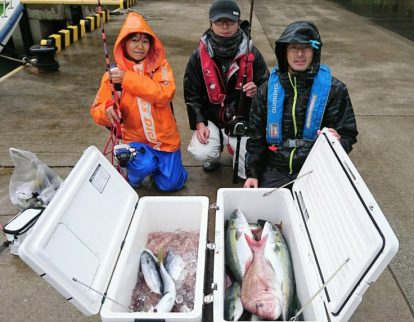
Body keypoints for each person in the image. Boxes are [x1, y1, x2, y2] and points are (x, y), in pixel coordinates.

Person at [244, 21, 358, 188]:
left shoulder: (336, 90)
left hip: (315, 166)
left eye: (306, 48)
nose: (300, 54)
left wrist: (338, 141)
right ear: (284, 52)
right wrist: (252, 173)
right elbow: (256, 137)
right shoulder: (265, 90)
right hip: (275, 167)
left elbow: (348, 134)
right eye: (293, 48)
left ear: (314, 51)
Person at [90, 12, 188, 191]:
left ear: (151, 44)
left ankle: (166, 169)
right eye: (134, 40)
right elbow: (97, 109)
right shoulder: (111, 75)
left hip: (165, 140)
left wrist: (127, 78)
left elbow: (164, 94)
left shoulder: (162, 66)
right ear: (124, 43)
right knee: (143, 165)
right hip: (134, 139)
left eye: (145, 41)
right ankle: (135, 176)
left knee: (171, 185)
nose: (140, 46)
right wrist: (107, 112)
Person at [183, 0, 269, 179]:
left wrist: (257, 91)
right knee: (203, 150)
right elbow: (192, 94)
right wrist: (199, 123)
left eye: (230, 21)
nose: (224, 26)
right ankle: (213, 155)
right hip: (211, 116)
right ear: (210, 24)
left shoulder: (253, 53)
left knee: (248, 169)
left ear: (238, 23)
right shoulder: (198, 55)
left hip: (241, 117)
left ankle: (234, 144)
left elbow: (267, 85)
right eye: (219, 22)